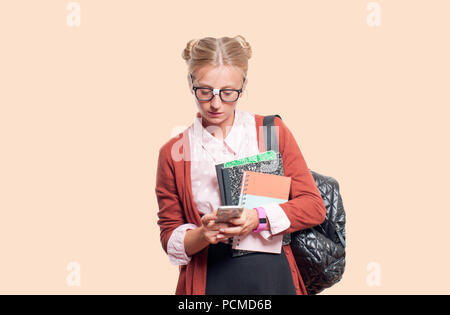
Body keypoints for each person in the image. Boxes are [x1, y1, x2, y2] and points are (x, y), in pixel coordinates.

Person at [155, 35, 327, 295]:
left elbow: (313, 206)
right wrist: (203, 234)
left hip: (272, 276)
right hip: (211, 278)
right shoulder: (173, 153)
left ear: (243, 86)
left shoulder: (270, 132)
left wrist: (256, 218)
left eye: (228, 93)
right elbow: (170, 236)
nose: (215, 103)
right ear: (191, 83)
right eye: (205, 91)